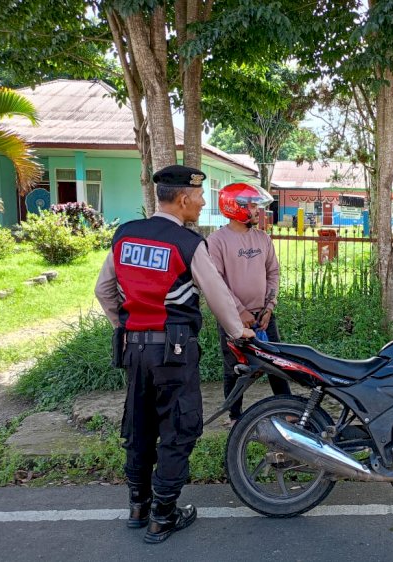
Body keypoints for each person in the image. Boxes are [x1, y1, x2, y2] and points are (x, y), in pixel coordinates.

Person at [94, 165, 255, 544]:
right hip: (175, 349)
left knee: (139, 425)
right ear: (182, 199)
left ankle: (138, 506)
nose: (201, 203)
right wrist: (239, 331)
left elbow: (104, 290)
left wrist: (129, 324)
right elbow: (216, 294)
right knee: (178, 428)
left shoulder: (125, 235)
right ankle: (163, 516)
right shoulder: (187, 243)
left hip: (134, 349)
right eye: (199, 197)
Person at [207, 183, 291, 425]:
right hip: (232, 318)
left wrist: (269, 306)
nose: (257, 210)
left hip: (264, 316)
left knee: (277, 362)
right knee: (234, 367)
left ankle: (287, 409)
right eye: (252, 205)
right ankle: (235, 417)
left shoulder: (262, 238)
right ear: (236, 207)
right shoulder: (217, 241)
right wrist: (239, 311)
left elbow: (273, 273)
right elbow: (216, 282)